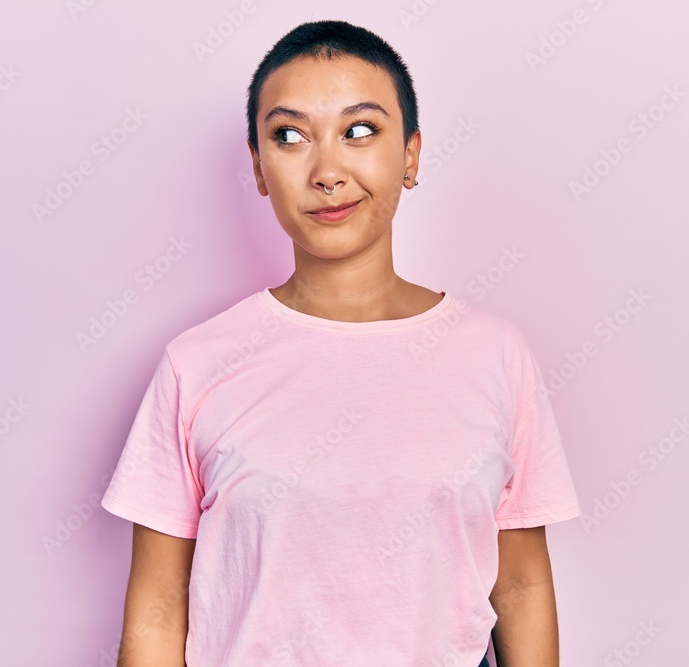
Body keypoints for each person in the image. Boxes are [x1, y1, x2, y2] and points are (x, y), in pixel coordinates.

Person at [101, 19, 582, 667]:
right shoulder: (197, 364)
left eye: (360, 130)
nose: (327, 170)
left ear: (410, 154)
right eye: (290, 136)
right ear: (260, 168)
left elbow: (521, 583)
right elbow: (158, 609)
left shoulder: (496, 356)